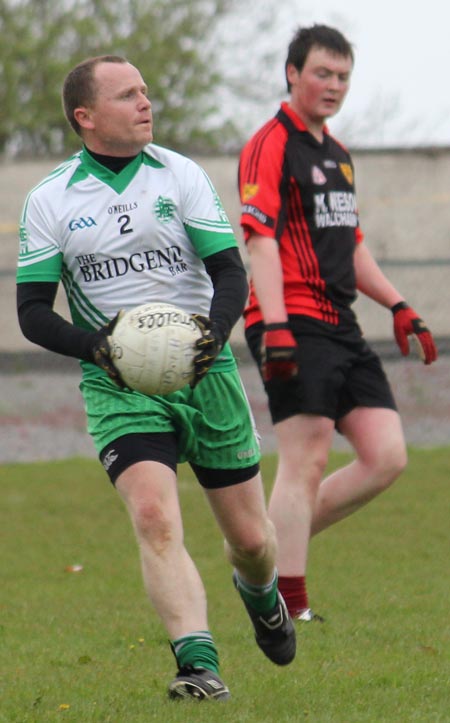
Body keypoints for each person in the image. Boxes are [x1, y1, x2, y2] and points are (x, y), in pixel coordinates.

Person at [16, 55, 296, 701]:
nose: (146, 102)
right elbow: (32, 312)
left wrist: (209, 336)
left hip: (207, 371)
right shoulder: (52, 199)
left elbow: (230, 270)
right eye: (127, 95)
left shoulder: (180, 173)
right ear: (85, 117)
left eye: (145, 89)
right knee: (153, 516)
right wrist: (101, 349)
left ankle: (261, 593)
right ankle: (198, 665)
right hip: (118, 383)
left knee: (252, 541)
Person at [238, 25, 438, 622]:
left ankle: (260, 554)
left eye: (343, 76)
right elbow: (261, 241)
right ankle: (288, 606)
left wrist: (399, 304)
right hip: (291, 316)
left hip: (340, 323)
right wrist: (274, 327)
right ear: (293, 73)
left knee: (387, 456)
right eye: (322, 73)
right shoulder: (271, 143)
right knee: (307, 459)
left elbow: (351, 246)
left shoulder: (339, 154)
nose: (333, 86)